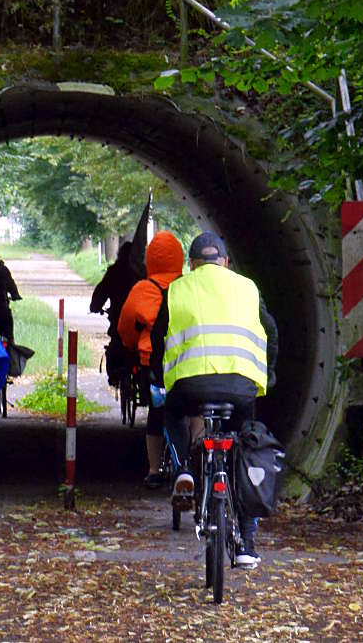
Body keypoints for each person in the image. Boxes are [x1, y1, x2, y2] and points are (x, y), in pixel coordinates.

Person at [150, 231, 278, 568]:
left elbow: (157, 335)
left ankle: (182, 471)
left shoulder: (178, 290)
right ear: (224, 261)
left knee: (174, 415)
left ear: (191, 265)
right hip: (241, 386)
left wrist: (157, 376)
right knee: (244, 444)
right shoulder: (247, 288)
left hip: (191, 386)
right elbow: (272, 333)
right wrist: (270, 374)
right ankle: (247, 542)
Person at [117, 231, 183, 489]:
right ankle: (196, 460)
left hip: (151, 364)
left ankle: (154, 469)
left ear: (150, 260)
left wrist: (133, 346)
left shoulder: (143, 289)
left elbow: (125, 329)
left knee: (157, 413)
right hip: (186, 361)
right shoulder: (187, 285)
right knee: (192, 410)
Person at [89, 241, 141, 384]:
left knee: (116, 342)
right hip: (141, 320)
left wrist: (95, 307)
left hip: (119, 319)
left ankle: (115, 376)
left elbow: (101, 291)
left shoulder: (114, 271)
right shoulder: (142, 272)